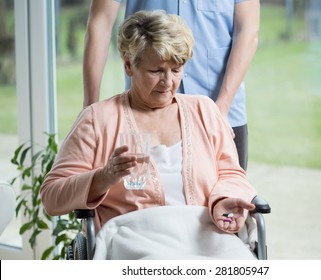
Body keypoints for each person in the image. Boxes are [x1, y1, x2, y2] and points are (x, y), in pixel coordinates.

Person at [41, 10, 257, 238]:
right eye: (156, 71)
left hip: (203, 237)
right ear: (128, 66)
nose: (168, 82)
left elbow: (231, 174)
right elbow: (52, 198)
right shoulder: (97, 119)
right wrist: (104, 177)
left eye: (176, 70)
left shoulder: (204, 111)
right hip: (135, 241)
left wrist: (223, 199)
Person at [83, 0, 260, 170]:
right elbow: (100, 22)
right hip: (144, 112)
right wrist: (90, 109)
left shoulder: (219, 114)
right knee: (139, 194)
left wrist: (222, 109)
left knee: (228, 191)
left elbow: (248, 30)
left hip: (223, 110)